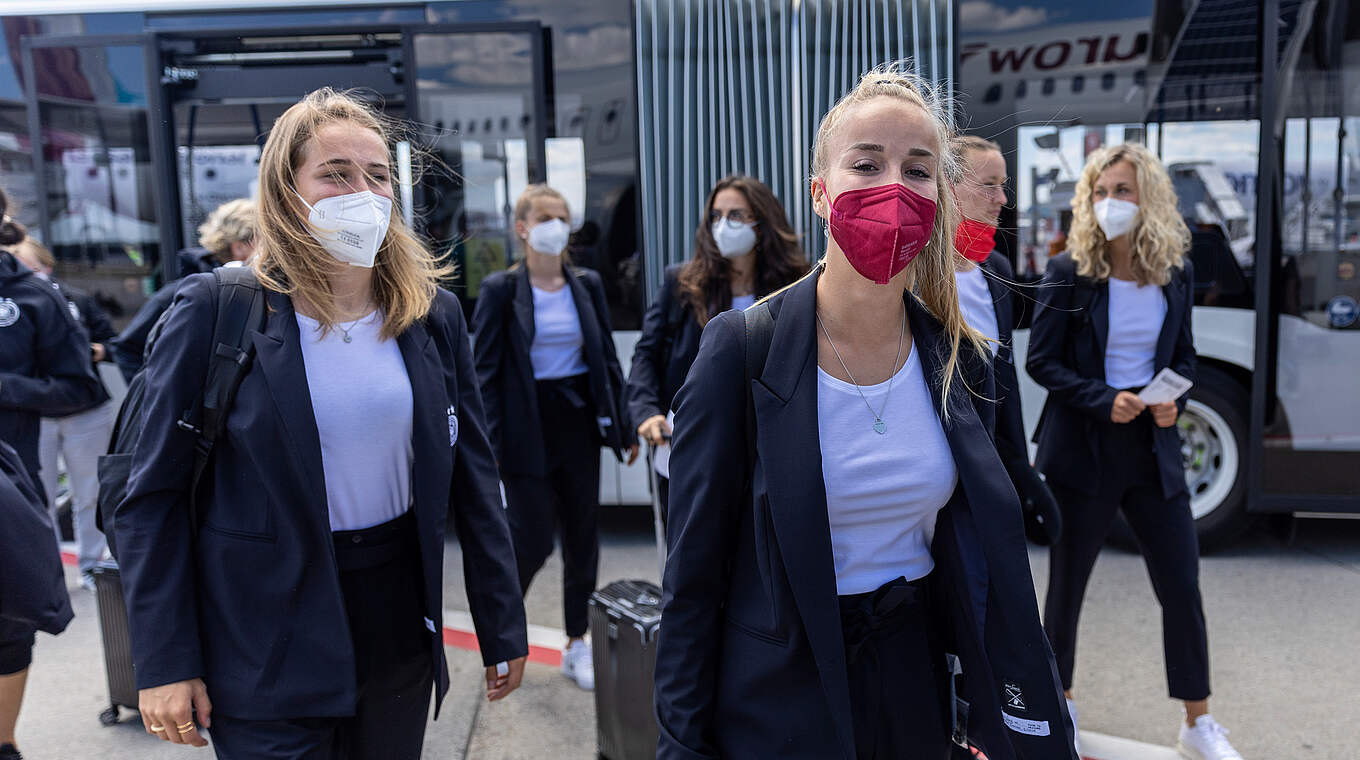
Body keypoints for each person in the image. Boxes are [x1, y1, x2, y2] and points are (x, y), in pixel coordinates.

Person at [654, 63, 1076, 760]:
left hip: (911, 688)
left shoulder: (957, 357)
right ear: (821, 194)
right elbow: (691, 583)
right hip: (777, 698)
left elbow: (977, 557)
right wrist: (680, 747)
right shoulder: (741, 350)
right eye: (866, 163)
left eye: (917, 170)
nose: (893, 188)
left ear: (941, 198)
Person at [112, 88, 528, 758]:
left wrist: (500, 621)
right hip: (262, 637)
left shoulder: (432, 315)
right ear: (286, 191)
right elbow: (151, 499)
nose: (361, 191)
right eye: (335, 173)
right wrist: (164, 660)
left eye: (378, 175)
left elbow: (474, 476)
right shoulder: (218, 310)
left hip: (396, 628)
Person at [1026, 142, 1242, 760]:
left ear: (1148, 198)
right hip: (1083, 452)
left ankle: (1197, 722)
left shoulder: (1174, 271)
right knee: (1067, 589)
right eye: (1099, 192)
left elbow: (1185, 356)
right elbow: (1042, 360)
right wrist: (1101, 398)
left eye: (1122, 191)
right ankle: (1057, 706)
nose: (1110, 203)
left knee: (1181, 586)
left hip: (1153, 450)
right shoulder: (1069, 270)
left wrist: (1177, 394)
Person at [471, 184, 637, 691]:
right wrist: (491, 449)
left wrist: (623, 424)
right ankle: (504, 631)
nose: (555, 225)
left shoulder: (584, 284)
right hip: (526, 427)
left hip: (578, 423)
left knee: (584, 540)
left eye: (562, 216)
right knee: (533, 539)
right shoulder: (502, 290)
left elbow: (606, 361)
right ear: (522, 228)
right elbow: (485, 375)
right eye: (544, 216)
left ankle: (576, 642)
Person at [627, 174, 808, 520]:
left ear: (762, 222)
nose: (723, 225)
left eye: (736, 215)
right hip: (691, 441)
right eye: (716, 215)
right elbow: (646, 354)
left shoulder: (795, 286)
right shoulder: (682, 284)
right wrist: (646, 411)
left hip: (766, 445)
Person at [0, 193, 99, 760]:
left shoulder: (33, 295)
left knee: (8, 628)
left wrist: (7, 388)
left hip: (9, 490)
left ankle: (5, 741)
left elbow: (80, 386)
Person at [948, 136, 1062, 545]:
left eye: (1003, 186)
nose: (1001, 199)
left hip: (993, 464)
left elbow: (1003, 378)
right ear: (948, 186)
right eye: (989, 185)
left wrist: (1020, 466)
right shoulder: (914, 273)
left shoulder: (994, 266)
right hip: (941, 472)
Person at [11, 239, 118, 588]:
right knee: (37, 496)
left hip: (83, 411)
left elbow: (115, 342)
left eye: (31, 268)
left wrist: (93, 352)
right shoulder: (14, 305)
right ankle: (49, 571)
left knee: (89, 493)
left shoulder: (73, 300)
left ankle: (91, 565)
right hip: (36, 413)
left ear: (47, 266)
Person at [110, 198, 258, 381]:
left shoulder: (247, 290)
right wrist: (156, 399)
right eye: (265, 242)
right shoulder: (183, 294)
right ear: (239, 248)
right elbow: (126, 347)